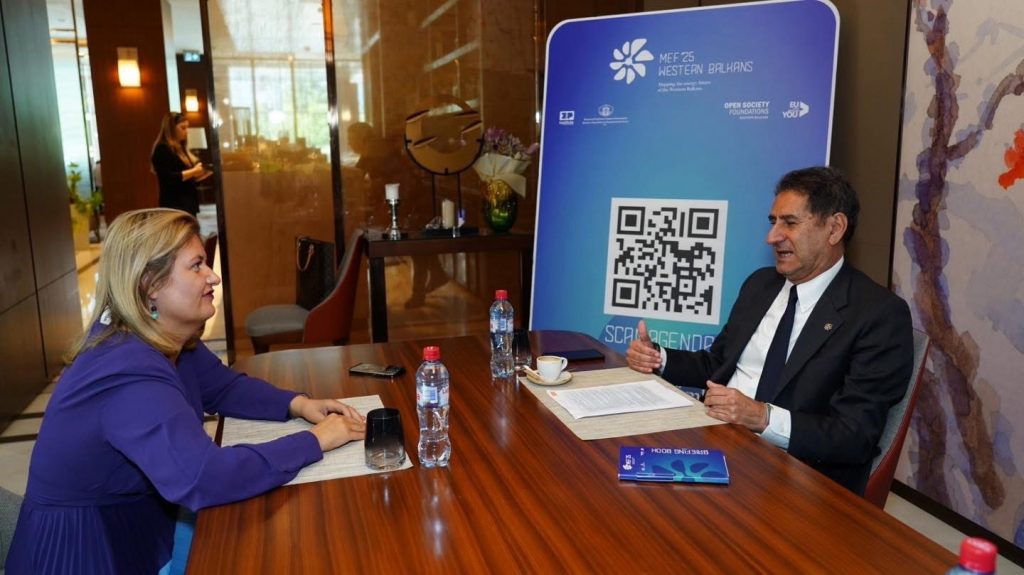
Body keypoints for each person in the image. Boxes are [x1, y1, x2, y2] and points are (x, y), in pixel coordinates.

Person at [5, 209, 366, 574]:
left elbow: (223, 388)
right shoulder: (125, 368)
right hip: (83, 554)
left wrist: (298, 404)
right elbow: (203, 477)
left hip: (134, 527)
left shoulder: (161, 335)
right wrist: (314, 441)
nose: (213, 276)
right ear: (150, 284)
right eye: (196, 266)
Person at [626, 166, 913, 495]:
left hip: (795, 477)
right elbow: (718, 363)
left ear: (834, 228)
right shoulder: (760, 285)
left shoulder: (878, 315)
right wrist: (659, 358)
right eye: (773, 222)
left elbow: (854, 435)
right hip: (715, 441)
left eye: (789, 223)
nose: (772, 237)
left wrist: (761, 417)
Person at [151, 112, 210, 216]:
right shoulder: (162, 149)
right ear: (171, 129)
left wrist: (199, 176)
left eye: (187, 127)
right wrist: (193, 171)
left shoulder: (181, 148)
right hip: (174, 204)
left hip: (188, 202)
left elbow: (186, 178)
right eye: (183, 128)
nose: (187, 132)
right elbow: (168, 178)